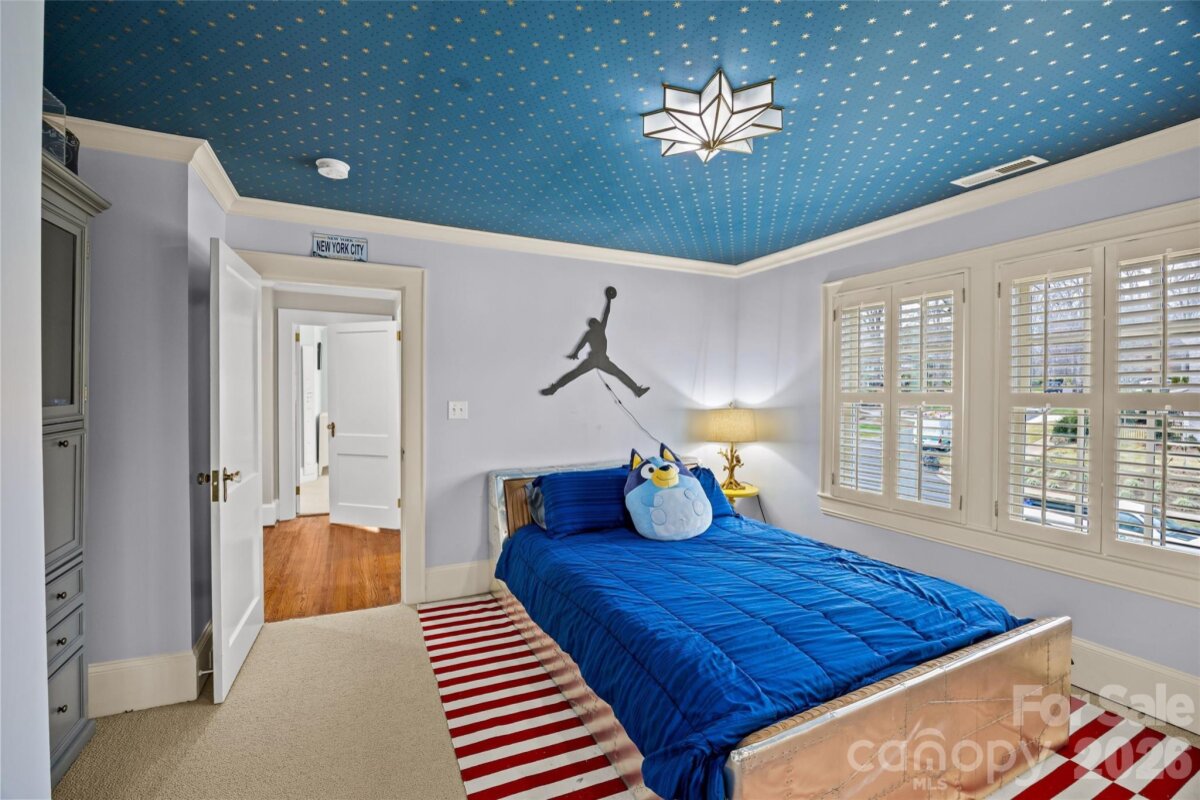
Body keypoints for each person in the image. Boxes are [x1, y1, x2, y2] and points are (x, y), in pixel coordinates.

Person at [540, 286, 650, 397]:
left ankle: (637, 390)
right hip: (597, 359)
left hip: (601, 360)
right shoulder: (595, 331)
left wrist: (575, 353)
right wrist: (608, 300)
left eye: (597, 321)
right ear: (593, 324)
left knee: (581, 373)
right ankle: (554, 388)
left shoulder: (595, 330)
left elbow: (605, 315)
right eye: (595, 321)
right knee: (579, 373)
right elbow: (582, 343)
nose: (598, 322)